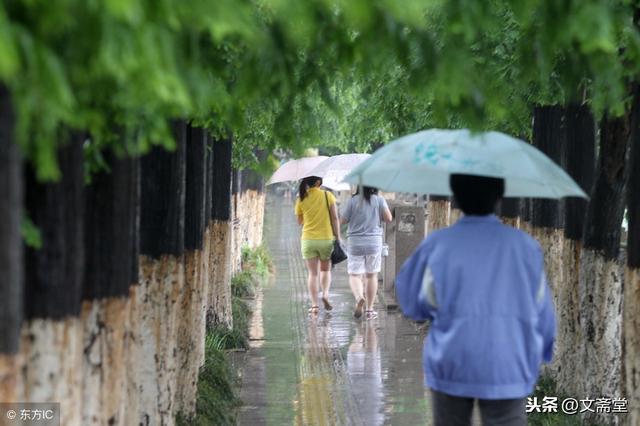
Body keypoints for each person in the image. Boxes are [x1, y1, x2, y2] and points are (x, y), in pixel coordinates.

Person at [395, 174, 556, 426]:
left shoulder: (437, 244)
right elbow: (543, 311)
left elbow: (413, 302)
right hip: (509, 361)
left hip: (451, 360)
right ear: (500, 198)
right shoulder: (525, 246)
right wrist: (542, 351)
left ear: (455, 198)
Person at [341, 186, 393, 320]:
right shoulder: (380, 200)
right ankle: (370, 310)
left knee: (355, 275)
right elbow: (388, 218)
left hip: (355, 242)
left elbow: (343, 221)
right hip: (374, 242)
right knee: (371, 276)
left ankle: (359, 297)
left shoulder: (352, 201)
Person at [295, 176, 341, 314]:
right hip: (326, 239)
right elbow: (334, 218)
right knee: (325, 271)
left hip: (308, 240)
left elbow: (299, 221)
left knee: (312, 274)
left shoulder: (301, 198)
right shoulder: (328, 196)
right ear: (318, 182)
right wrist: (338, 237)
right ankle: (325, 294)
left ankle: (314, 305)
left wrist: (311, 218)